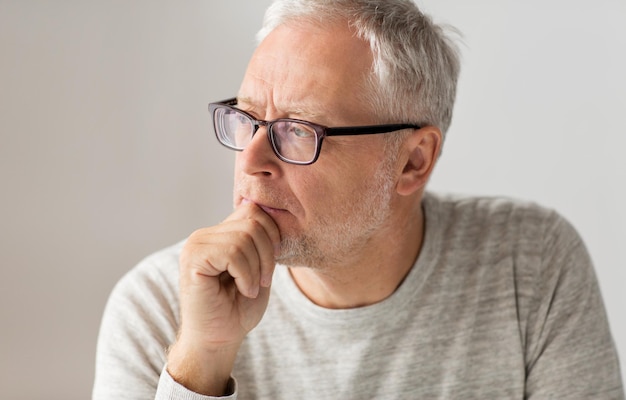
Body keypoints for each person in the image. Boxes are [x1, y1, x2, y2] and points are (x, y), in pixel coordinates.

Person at [92, 0, 624, 399]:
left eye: (297, 130)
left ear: (413, 161)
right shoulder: (161, 307)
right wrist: (202, 359)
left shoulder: (530, 267)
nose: (251, 160)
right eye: (247, 118)